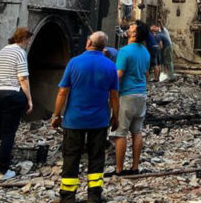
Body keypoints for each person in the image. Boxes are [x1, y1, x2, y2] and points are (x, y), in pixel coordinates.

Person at [51, 31, 119, 203]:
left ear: (89, 42)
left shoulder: (74, 63)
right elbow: (114, 96)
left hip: (74, 120)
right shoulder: (110, 66)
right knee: (96, 157)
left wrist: (56, 115)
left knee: (71, 157)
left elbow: (62, 92)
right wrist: (115, 117)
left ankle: (68, 197)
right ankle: (94, 196)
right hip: (99, 120)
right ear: (103, 46)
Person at [0, 27, 34, 180]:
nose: (29, 42)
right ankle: (4, 171)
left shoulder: (2, 51)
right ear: (23, 39)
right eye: (28, 39)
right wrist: (29, 99)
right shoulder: (20, 52)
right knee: (8, 133)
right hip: (11, 94)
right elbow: (23, 78)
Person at [111, 21, 151, 175]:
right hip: (141, 94)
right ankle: (135, 167)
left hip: (126, 94)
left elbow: (119, 74)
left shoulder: (125, 51)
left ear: (135, 34)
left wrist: (107, 87)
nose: (129, 28)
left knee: (120, 133)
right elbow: (146, 74)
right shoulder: (145, 52)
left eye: (132, 27)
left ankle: (119, 169)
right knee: (137, 131)